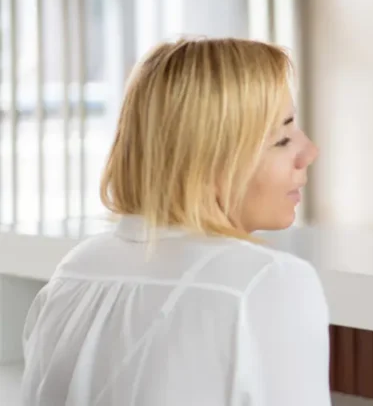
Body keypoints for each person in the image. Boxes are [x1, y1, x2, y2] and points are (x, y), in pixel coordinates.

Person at [21, 38, 329, 405]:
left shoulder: (73, 273)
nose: (309, 151)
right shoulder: (269, 283)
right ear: (209, 157)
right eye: (282, 139)